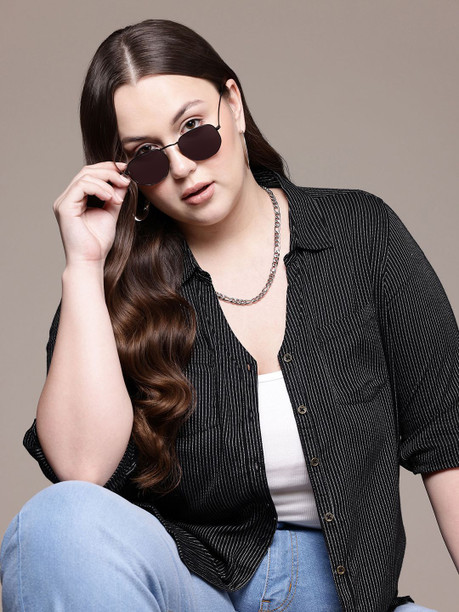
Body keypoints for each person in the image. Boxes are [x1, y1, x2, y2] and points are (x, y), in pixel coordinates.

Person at [1, 18, 457, 612]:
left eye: (193, 131)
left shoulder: (359, 235)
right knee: (57, 522)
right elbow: (81, 476)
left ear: (234, 105)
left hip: (347, 601)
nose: (182, 168)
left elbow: (449, 441)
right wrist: (85, 266)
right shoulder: (116, 290)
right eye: (146, 157)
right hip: (196, 593)